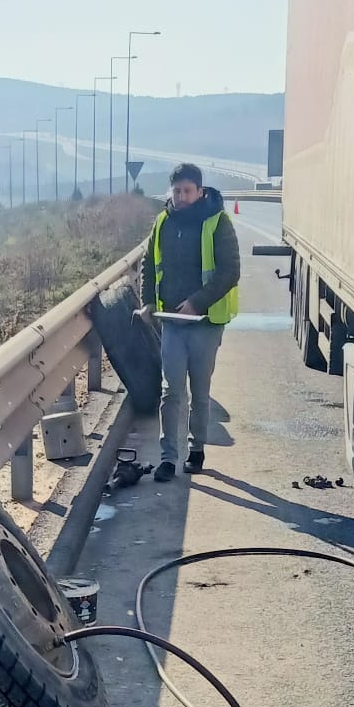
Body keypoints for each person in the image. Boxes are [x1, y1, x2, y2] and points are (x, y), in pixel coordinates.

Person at [140, 162, 240, 482]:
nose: (181, 196)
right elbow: (148, 265)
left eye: (187, 191)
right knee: (171, 392)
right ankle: (168, 457)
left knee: (199, 391)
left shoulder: (217, 222)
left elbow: (229, 272)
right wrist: (147, 303)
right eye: (177, 191)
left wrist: (196, 301)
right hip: (171, 322)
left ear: (200, 191)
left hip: (205, 322)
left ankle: (196, 450)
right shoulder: (162, 222)